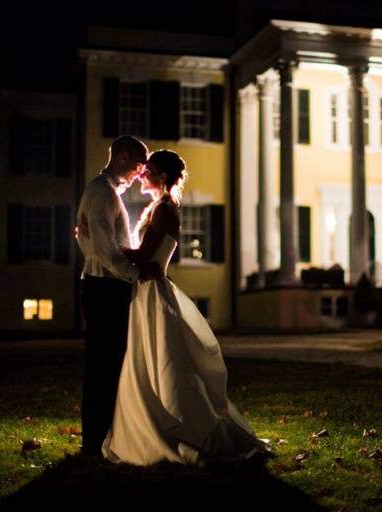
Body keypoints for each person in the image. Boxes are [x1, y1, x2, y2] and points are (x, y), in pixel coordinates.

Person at [102, 150, 272, 466]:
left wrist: (99, 245)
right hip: (147, 291)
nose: (141, 175)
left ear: (163, 178)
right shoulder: (159, 207)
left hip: (154, 290)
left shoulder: (166, 210)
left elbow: (144, 257)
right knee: (154, 361)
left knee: (168, 363)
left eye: (148, 170)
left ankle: (188, 427)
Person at [75, 135, 160, 456]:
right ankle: (94, 442)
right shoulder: (101, 192)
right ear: (122, 157)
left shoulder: (107, 192)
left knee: (109, 363)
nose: (141, 174)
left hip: (106, 285)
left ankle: (102, 437)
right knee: (103, 365)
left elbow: (93, 242)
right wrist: (136, 275)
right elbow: (104, 249)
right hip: (104, 288)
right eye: (139, 165)